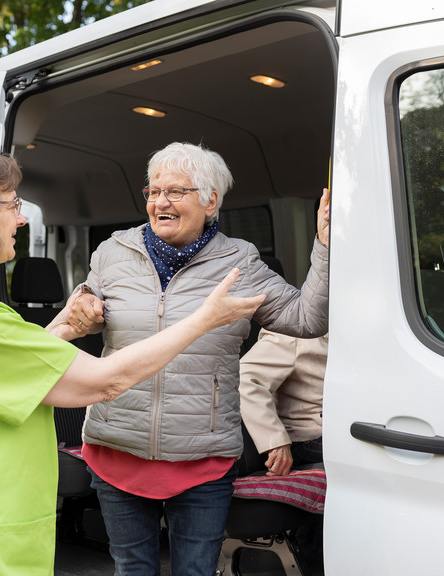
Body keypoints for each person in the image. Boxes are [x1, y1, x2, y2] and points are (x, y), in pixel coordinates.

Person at [0, 154, 265, 576]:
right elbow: (105, 381)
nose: (21, 220)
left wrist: (59, 330)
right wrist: (204, 319)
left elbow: (5, 368)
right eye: (13, 205)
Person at [68, 142, 330, 576]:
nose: (160, 202)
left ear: (210, 201)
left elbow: (307, 319)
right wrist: (83, 301)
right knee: (132, 570)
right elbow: (88, 303)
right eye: (154, 191)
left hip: (202, 459)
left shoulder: (240, 261)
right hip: (117, 448)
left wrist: (323, 245)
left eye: (175, 191)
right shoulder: (112, 251)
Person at [239, 329, 328, 477]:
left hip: (344, 430)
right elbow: (245, 380)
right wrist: (276, 442)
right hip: (309, 440)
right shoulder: (290, 334)